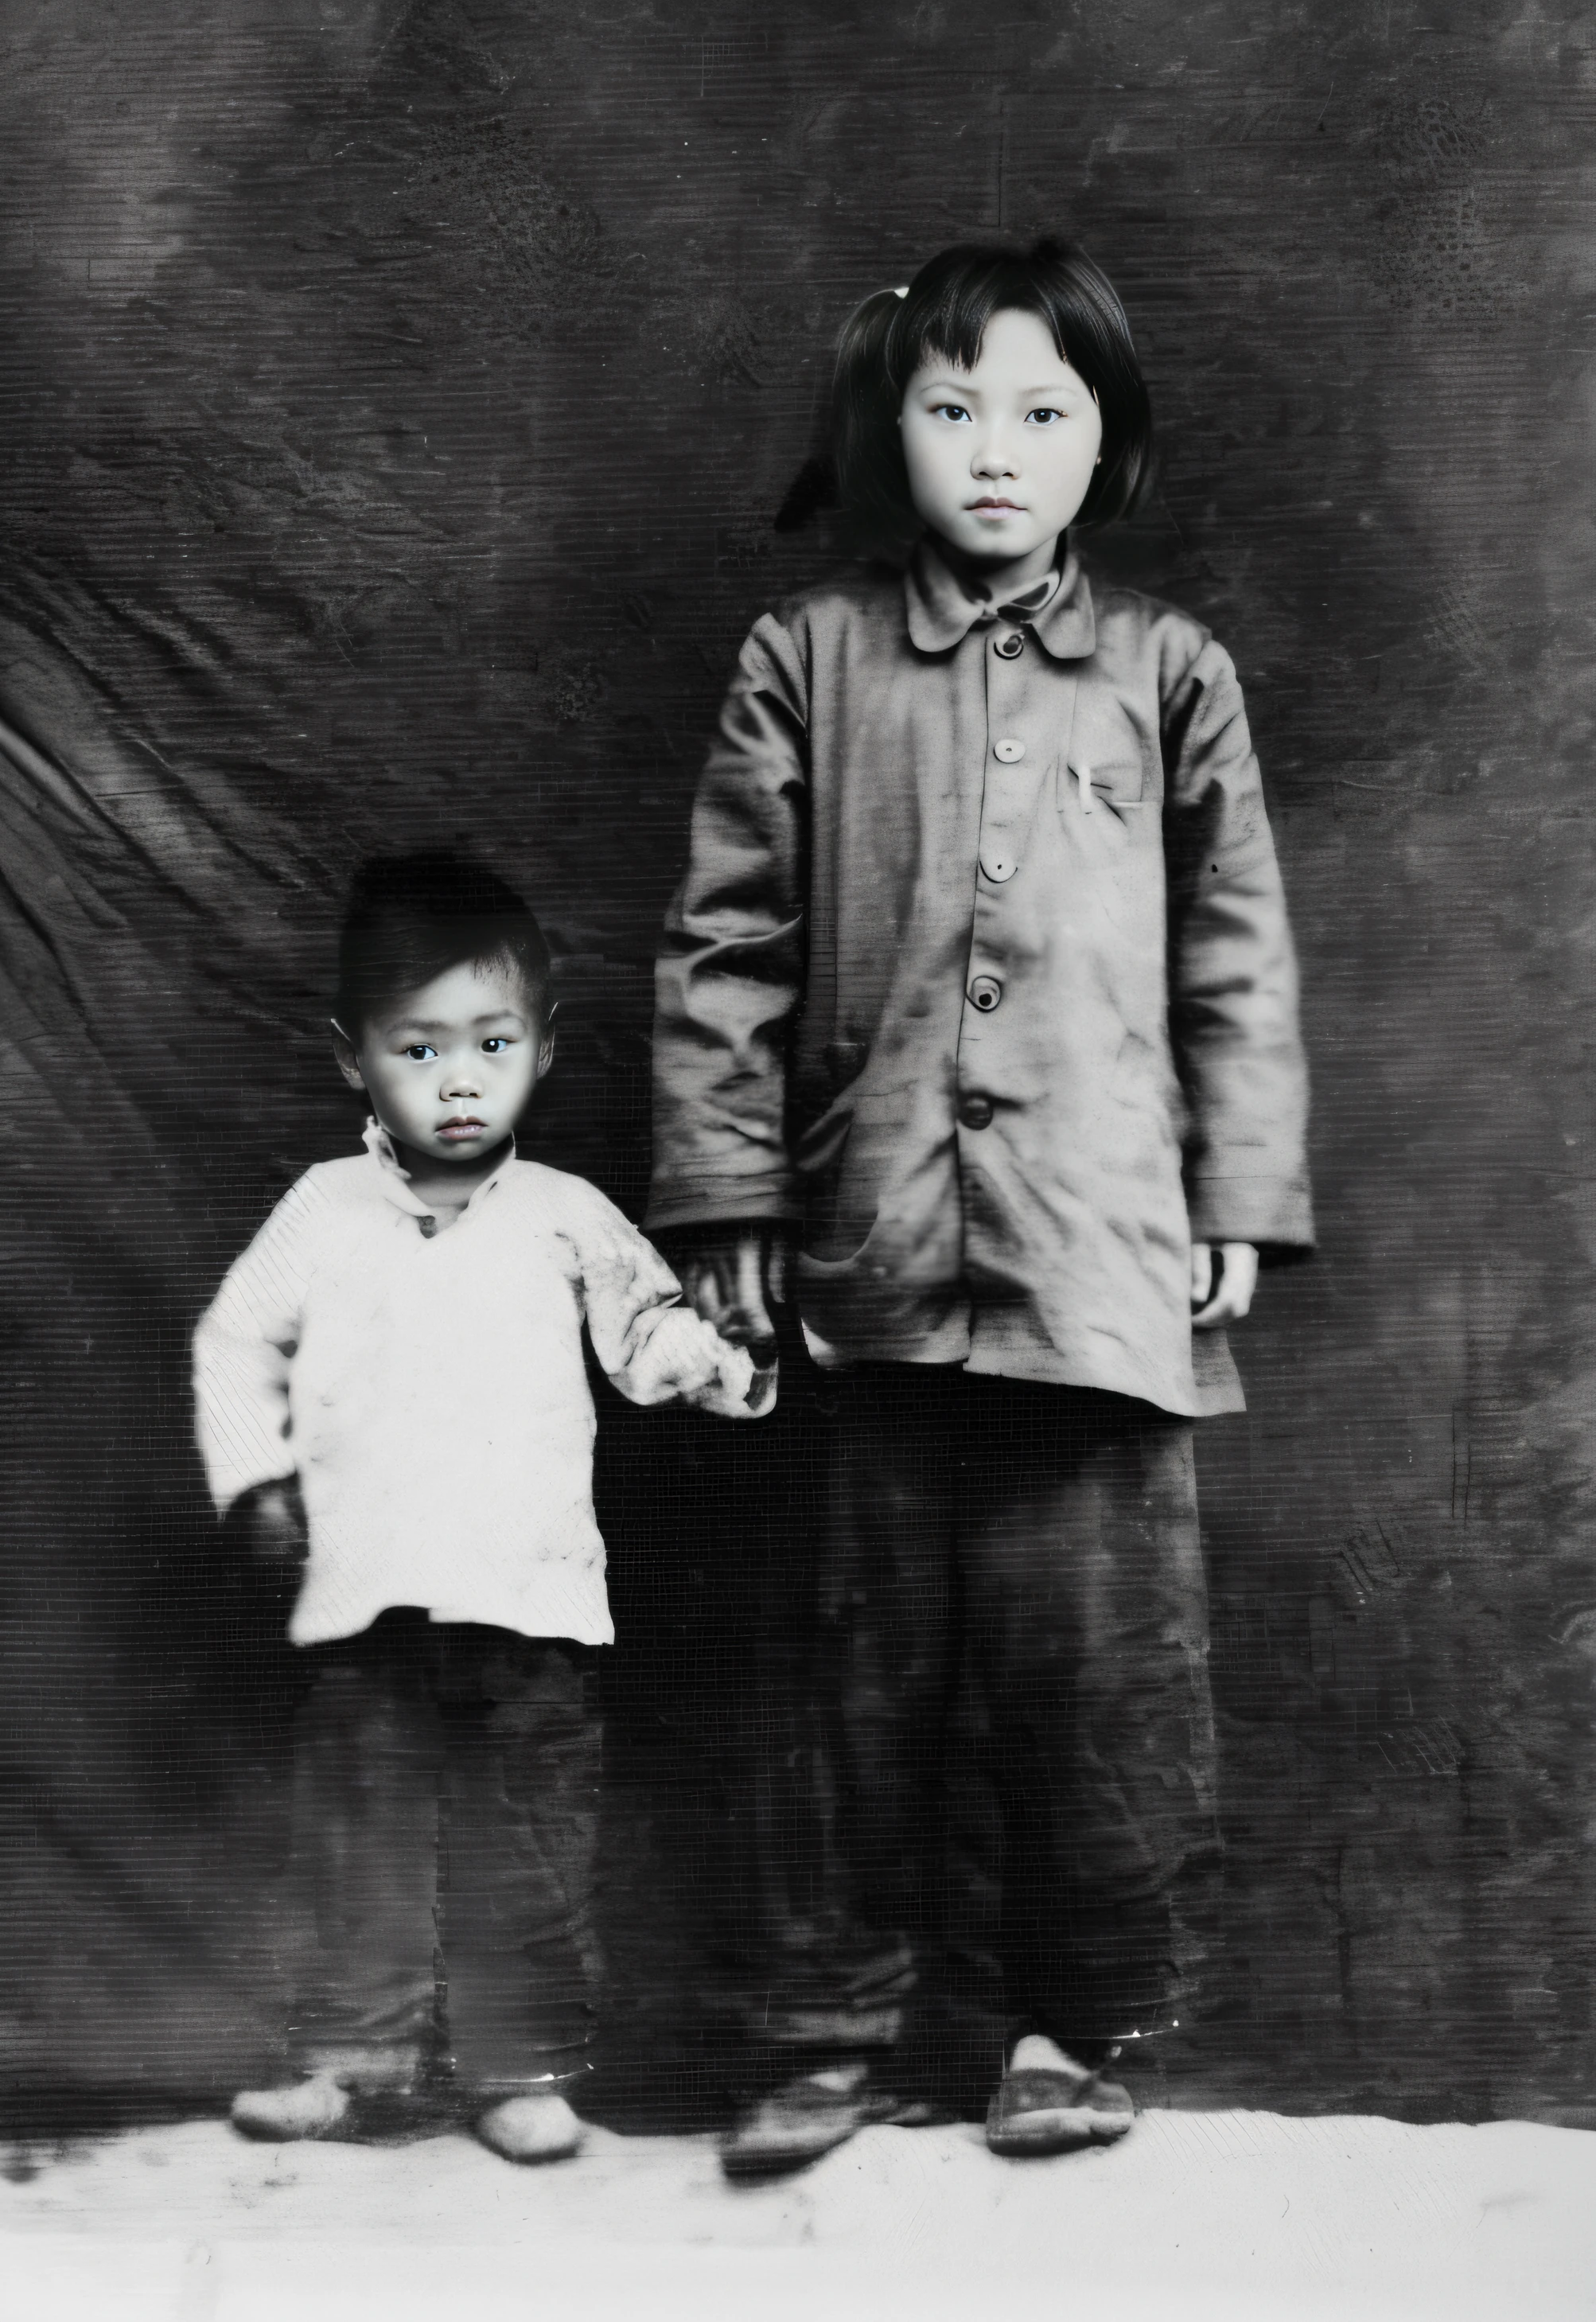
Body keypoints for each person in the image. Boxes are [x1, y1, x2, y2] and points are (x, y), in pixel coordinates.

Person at [648, 239, 1313, 2172]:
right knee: (854, 1663)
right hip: (872, 1242)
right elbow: (724, 946)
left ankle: (1062, 2025)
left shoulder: (1173, 674)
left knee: (1091, 1673)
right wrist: (725, 1192)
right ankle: (823, 2029)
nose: (995, 453)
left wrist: (1237, 1191)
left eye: (1042, 412)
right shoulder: (808, 658)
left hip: (1098, 1255)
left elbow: (1235, 959)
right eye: (953, 411)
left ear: (1102, 446)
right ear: (892, 432)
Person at [194, 853, 767, 2163]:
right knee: (361, 1829)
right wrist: (257, 1482)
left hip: (529, 1595)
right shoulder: (322, 1212)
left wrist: (725, 1359)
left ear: (541, 1048)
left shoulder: (567, 1217)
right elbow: (234, 1342)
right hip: (367, 1595)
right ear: (356, 1060)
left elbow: (650, 1338)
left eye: (492, 1043)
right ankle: (351, 2057)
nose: (459, 1080)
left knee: (529, 1836)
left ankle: (521, 2069)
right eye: (419, 1047)